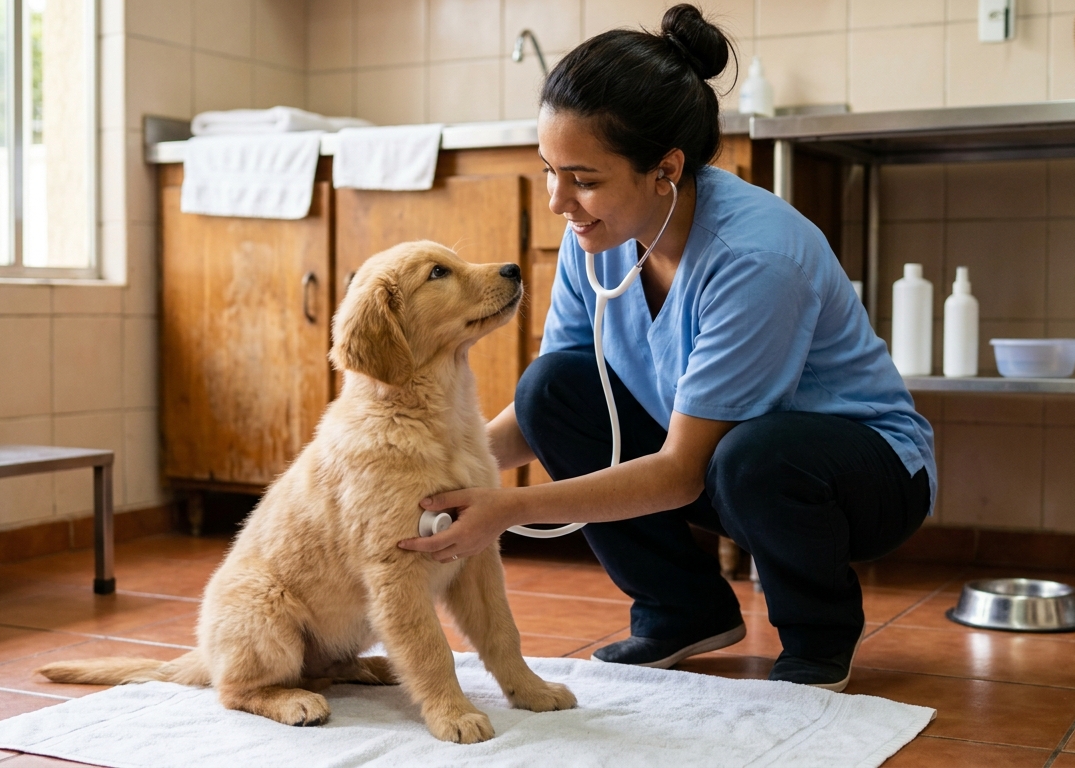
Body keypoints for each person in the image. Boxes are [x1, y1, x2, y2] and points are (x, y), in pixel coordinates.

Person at [399, 4, 934, 692]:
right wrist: (427, 476)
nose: (560, 200)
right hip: (720, 466)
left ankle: (818, 634)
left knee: (753, 457)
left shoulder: (756, 255)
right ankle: (682, 611)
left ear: (665, 170)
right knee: (549, 388)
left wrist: (509, 508)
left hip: (859, 476)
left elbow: (684, 471)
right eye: (550, 171)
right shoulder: (590, 236)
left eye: (584, 178)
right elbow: (556, 404)